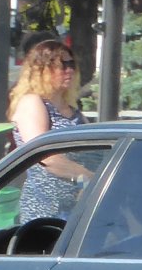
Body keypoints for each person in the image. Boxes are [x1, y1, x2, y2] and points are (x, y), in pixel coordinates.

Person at [8, 39, 92, 221]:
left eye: (72, 64)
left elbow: (93, 154)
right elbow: (44, 156)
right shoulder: (32, 102)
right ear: (43, 70)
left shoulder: (74, 111)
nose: (69, 70)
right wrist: (88, 178)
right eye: (62, 65)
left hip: (79, 210)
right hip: (46, 211)